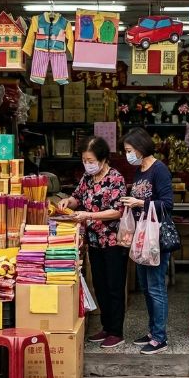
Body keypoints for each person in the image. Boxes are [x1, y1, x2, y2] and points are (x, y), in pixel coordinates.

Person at [58, 136, 127, 349]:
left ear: (103, 158)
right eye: (84, 160)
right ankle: (106, 327)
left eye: (90, 160)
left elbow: (117, 211)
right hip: (95, 242)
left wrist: (87, 216)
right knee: (100, 285)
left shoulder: (115, 178)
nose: (87, 164)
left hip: (113, 241)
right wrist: (67, 201)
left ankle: (116, 331)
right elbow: (77, 197)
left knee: (114, 286)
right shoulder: (88, 179)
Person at [120, 127, 173, 355]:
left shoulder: (159, 169)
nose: (127, 155)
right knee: (145, 286)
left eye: (130, 150)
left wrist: (139, 203)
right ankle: (152, 332)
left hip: (156, 237)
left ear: (141, 148)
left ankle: (160, 337)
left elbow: (167, 204)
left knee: (156, 287)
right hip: (142, 235)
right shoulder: (140, 170)